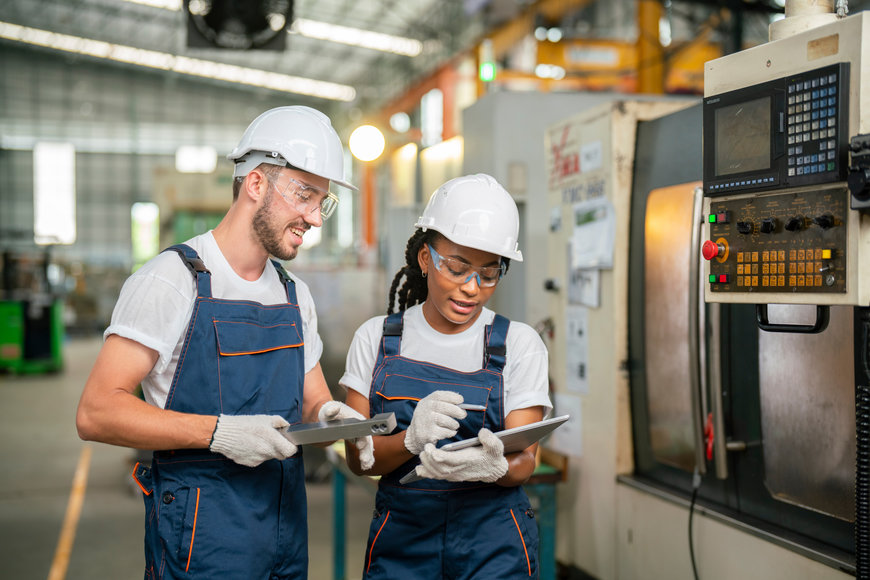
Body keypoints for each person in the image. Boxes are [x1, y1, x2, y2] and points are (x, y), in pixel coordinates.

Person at [75, 105, 374, 580]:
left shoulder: (295, 295)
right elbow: (96, 412)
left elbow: (314, 396)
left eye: (323, 201)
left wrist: (330, 417)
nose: (315, 217)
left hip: (285, 539)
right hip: (200, 547)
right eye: (305, 195)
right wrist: (217, 433)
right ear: (256, 184)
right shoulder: (173, 280)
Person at [340, 173, 552, 579]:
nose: (471, 288)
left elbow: (525, 460)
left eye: (489, 274)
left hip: (493, 543)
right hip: (403, 541)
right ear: (425, 258)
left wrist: (492, 467)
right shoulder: (377, 339)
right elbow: (360, 461)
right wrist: (410, 440)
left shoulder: (519, 344)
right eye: (457, 268)